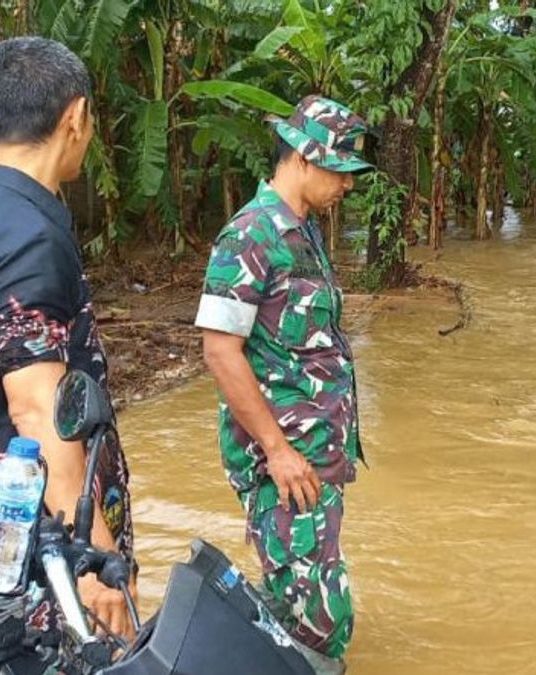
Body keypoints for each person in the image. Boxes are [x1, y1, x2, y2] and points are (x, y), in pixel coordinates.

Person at [0, 36, 136, 642]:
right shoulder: (28, 239)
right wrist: (97, 562)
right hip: (47, 561)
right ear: (76, 117)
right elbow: (36, 409)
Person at [195, 95, 370, 672]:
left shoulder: (304, 232)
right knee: (324, 616)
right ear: (301, 156)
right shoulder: (251, 235)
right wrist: (277, 450)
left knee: (294, 598)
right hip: (284, 462)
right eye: (339, 168)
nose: (346, 183)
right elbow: (220, 351)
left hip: (312, 458)